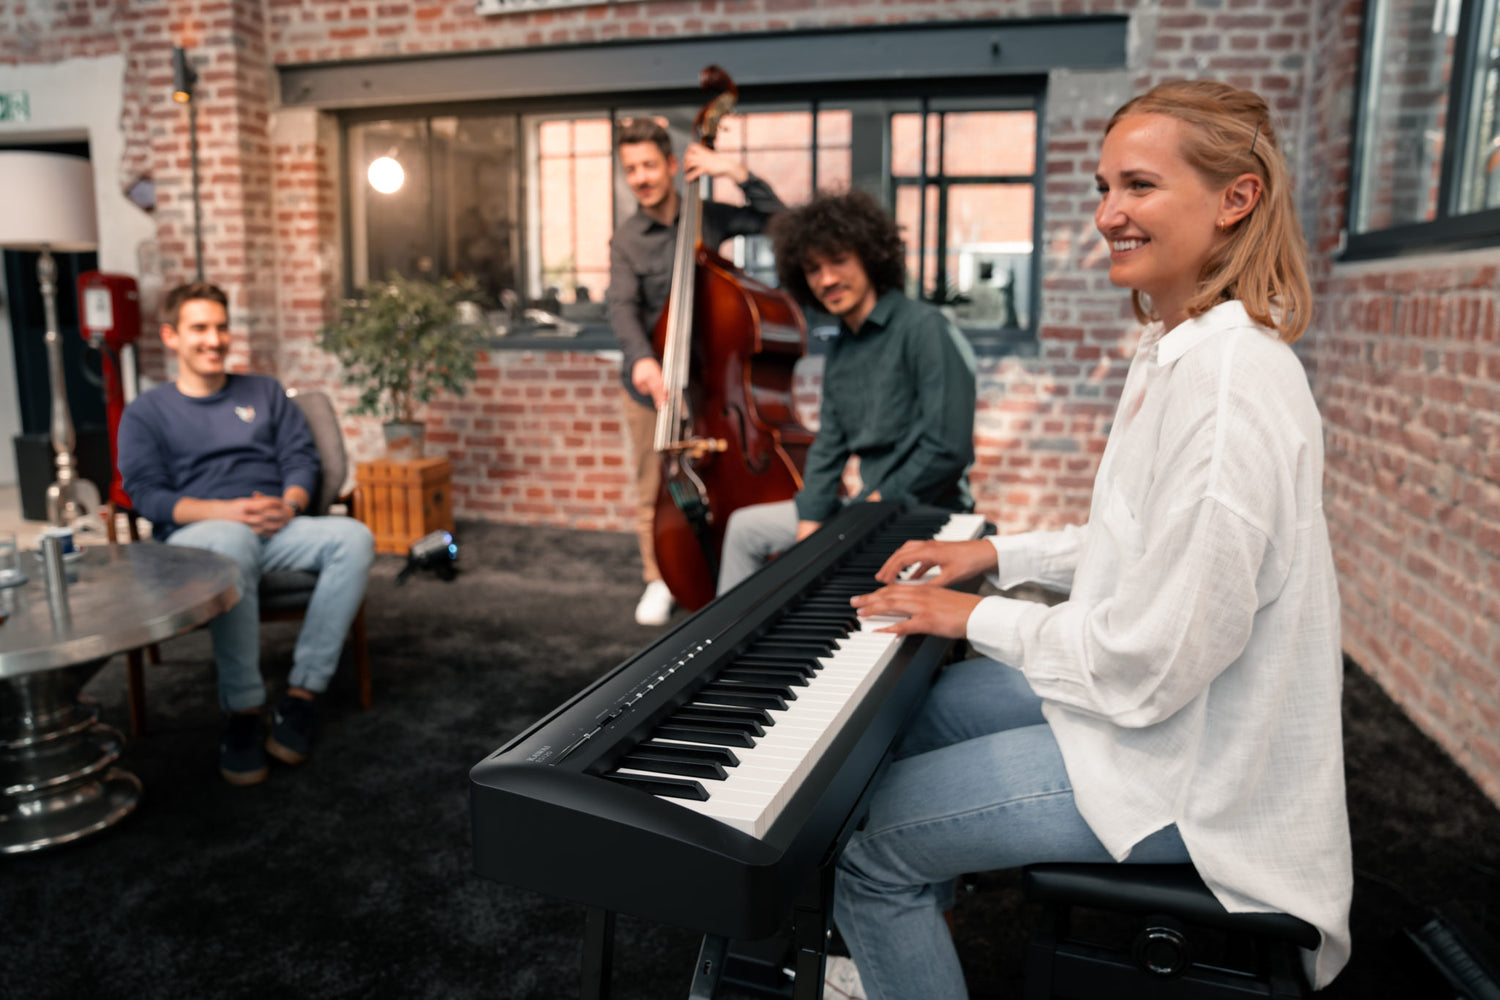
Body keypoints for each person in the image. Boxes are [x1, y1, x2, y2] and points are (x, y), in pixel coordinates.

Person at [826, 80, 1353, 999]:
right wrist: (996, 557)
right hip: (1163, 723)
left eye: (1139, 186)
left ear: (1237, 199)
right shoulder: (1180, 350)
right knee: (916, 718)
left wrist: (973, 618)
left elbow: (1149, 664)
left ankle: (893, 913)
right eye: (1104, 188)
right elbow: (1138, 543)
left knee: (865, 846)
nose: (1108, 214)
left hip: (1196, 776)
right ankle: (907, 945)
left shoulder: (1230, 390)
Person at [117, 281, 375, 787]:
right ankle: (242, 709)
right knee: (233, 543)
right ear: (171, 337)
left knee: (354, 537)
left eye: (221, 327)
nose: (214, 339)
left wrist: (289, 505)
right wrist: (226, 512)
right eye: (199, 328)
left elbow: (302, 460)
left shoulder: (265, 392)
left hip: (274, 526)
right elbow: (146, 496)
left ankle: (301, 695)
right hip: (196, 539)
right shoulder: (146, 412)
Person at [715, 189, 978, 595]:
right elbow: (829, 446)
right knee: (746, 529)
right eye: (813, 269)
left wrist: (873, 505)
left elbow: (947, 448)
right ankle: (730, 635)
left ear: (870, 256)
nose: (827, 279)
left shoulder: (925, 329)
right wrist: (811, 519)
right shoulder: (840, 348)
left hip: (927, 512)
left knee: (836, 586)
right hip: (866, 507)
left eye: (838, 260)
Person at [606, 117, 788, 625]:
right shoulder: (626, 240)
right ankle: (659, 577)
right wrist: (643, 361)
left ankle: (729, 566)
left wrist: (732, 170)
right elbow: (621, 307)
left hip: (713, 383)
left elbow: (780, 220)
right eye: (630, 169)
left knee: (723, 480)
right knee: (654, 484)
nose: (640, 178)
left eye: (648, 165)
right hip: (653, 385)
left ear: (671, 165)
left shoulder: (708, 217)